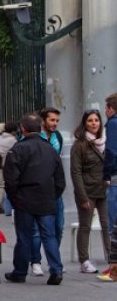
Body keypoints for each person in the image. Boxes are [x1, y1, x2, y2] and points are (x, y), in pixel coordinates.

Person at [3, 112, 65, 286]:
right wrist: (53, 196)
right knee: (49, 236)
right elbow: (60, 181)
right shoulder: (51, 150)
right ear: (40, 127)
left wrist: (15, 199)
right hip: (46, 199)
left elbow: (10, 180)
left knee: (24, 237)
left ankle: (20, 271)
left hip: (24, 200)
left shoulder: (17, 149)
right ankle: (56, 270)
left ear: (23, 129)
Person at [70, 109, 111, 273]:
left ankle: (112, 257)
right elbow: (75, 172)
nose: (94, 123)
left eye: (96, 120)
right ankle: (84, 261)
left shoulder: (105, 141)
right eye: (90, 121)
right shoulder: (79, 144)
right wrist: (82, 196)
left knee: (107, 225)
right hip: (87, 190)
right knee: (85, 226)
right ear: (84, 123)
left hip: (104, 189)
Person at [28, 107, 64, 276]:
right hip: (37, 190)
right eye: (52, 120)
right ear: (43, 121)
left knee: (58, 227)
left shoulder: (57, 137)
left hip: (54, 189)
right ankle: (35, 261)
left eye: (57, 120)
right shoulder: (35, 137)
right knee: (36, 230)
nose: (54, 124)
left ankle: (54, 261)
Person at [0, 122, 19, 215]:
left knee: (0, 185)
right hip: (6, 165)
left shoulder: (0, 138)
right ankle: (1, 207)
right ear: (13, 131)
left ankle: (5, 208)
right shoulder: (12, 140)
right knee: (4, 186)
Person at [104, 94, 117, 241]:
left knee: (113, 226)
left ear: (111, 109)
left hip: (115, 177)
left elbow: (111, 150)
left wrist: (106, 174)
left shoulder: (113, 124)